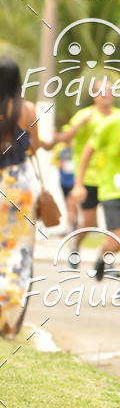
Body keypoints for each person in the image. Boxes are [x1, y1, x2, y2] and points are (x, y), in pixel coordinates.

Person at [72, 107, 120, 300]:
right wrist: (79, 184)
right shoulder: (109, 124)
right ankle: (102, 255)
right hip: (111, 191)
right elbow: (87, 151)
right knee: (116, 240)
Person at [0, 58, 41, 337]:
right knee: (18, 251)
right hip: (20, 187)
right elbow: (34, 147)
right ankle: (10, 323)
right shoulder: (27, 109)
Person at [59, 87, 120, 261]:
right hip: (89, 177)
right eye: (101, 92)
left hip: (112, 178)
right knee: (89, 222)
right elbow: (64, 138)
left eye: (109, 91)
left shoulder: (119, 116)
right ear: (94, 96)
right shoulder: (84, 115)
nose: (106, 95)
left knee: (115, 225)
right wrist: (80, 124)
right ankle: (75, 245)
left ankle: (105, 257)